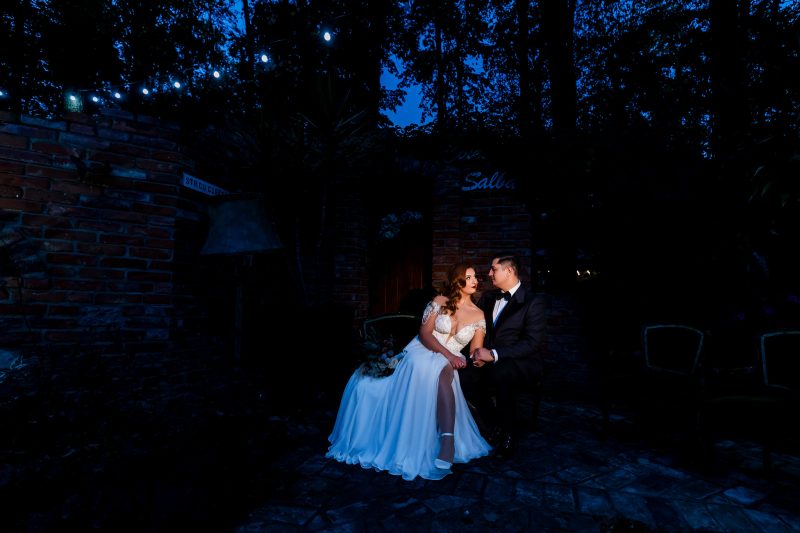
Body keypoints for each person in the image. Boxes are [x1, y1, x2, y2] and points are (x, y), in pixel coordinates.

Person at [326, 262, 491, 480]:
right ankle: (445, 440)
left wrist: (480, 359)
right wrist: (449, 356)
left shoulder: (479, 315)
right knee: (435, 365)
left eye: (475, 277)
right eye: (468, 277)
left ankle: (447, 440)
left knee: (443, 369)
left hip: (450, 358)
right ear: (457, 281)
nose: (474, 281)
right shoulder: (440, 301)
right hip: (424, 350)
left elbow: (475, 351)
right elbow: (425, 334)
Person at [461, 253, 546, 459]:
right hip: (487, 358)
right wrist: (477, 353)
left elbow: (532, 343)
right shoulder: (488, 297)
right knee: (464, 376)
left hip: (521, 362)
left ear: (508, 271)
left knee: (502, 373)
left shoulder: (532, 302)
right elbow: (476, 328)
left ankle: (508, 435)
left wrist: (494, 354)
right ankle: (493, 424)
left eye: (494, 269)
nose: (489, 273)